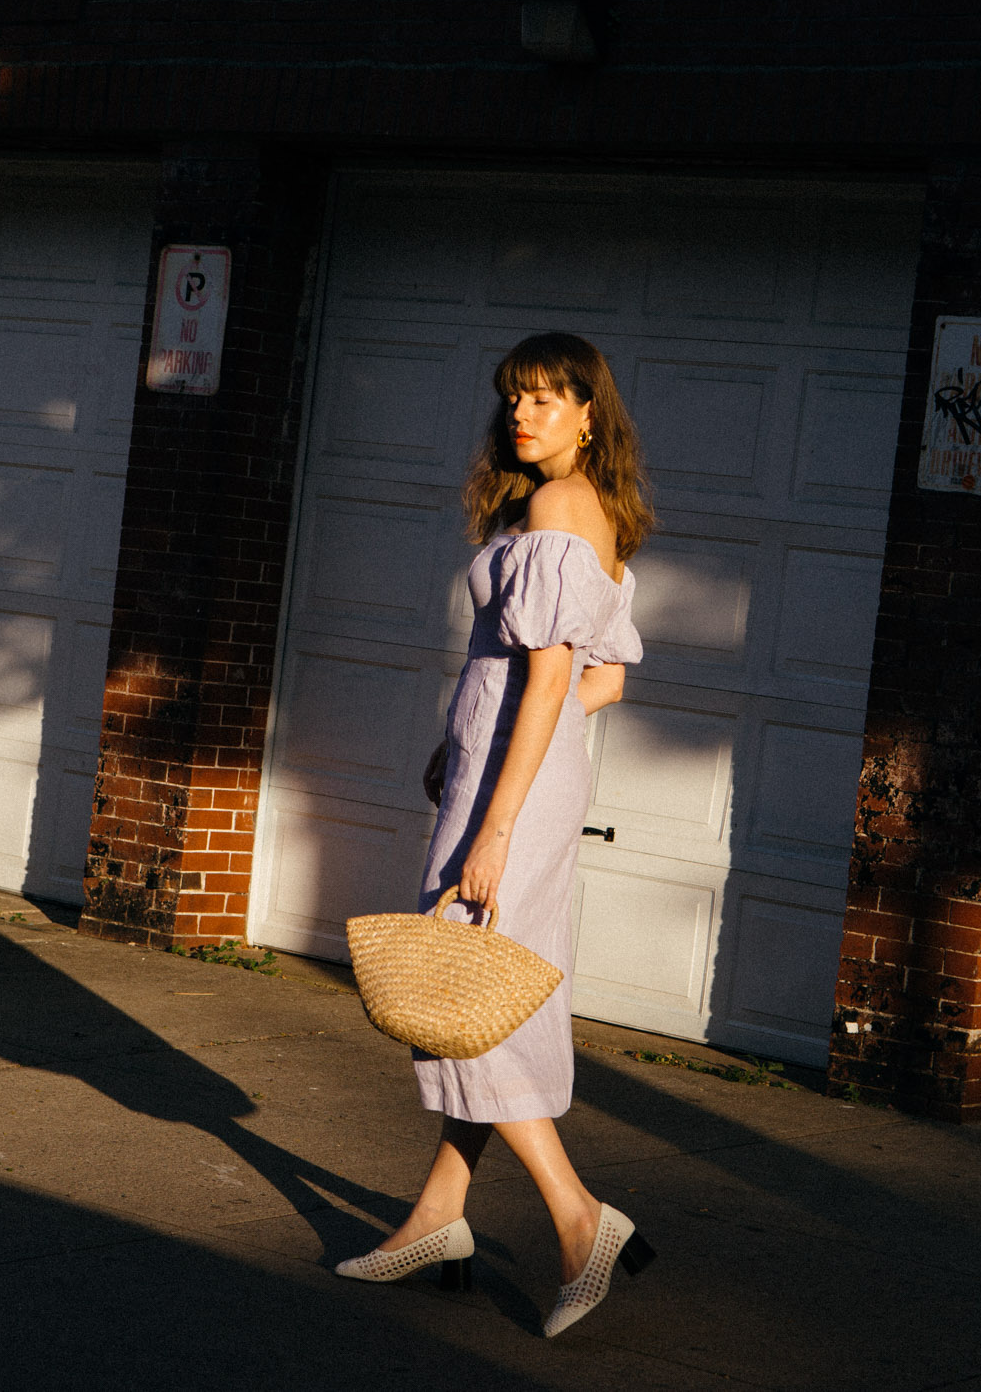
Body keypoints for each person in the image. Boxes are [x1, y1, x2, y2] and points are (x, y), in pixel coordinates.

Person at [334, 332, 656, 1338]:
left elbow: (557, 677)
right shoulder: (582, 513)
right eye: (514, 399)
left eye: (547, 401)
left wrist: (497, 820)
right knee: (469, 998)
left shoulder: (561, 510)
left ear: (589, 415)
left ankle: (577, 1218)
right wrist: (467, 736)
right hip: (508, 776)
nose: (523, 415)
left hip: (505, 798)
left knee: (461, 999)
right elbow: (602, 681)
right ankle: (437, 1218)